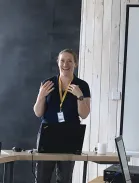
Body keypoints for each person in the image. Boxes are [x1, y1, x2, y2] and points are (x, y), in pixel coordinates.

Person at [33, 49, 91, 183]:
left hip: (70, 135)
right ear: (58, 63)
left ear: (75, 64)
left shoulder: (82, 85)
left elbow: (84, 114)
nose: (66, 64)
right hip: (48, 134)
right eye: (62, 61)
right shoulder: (48, 83)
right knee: (42, 178)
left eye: (70, 61)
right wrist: (41, 96)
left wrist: (79, 96)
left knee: (65, 179)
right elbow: (38, 112)